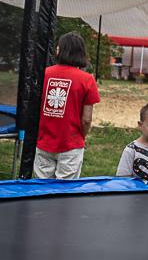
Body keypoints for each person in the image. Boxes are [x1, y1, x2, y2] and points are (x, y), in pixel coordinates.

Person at [34, 32, 100, 179]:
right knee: (65, 190)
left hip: (44, 142)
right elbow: (86, 119)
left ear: (60, 50)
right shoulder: (87, 80)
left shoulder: (44, 74)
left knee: (42, 188)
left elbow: (36, 108)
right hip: (71, 144)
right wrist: (81, 136)